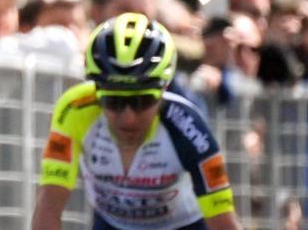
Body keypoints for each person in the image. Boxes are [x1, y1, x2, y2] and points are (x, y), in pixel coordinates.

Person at [31, 13, 242, 230]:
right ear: (96, 91)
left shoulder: (187, 124)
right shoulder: (74, 109)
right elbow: (49, 204)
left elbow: (223, 219)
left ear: (163, 90)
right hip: (112, 224)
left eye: (143, 101)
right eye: (113, 101)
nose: (128, 116)